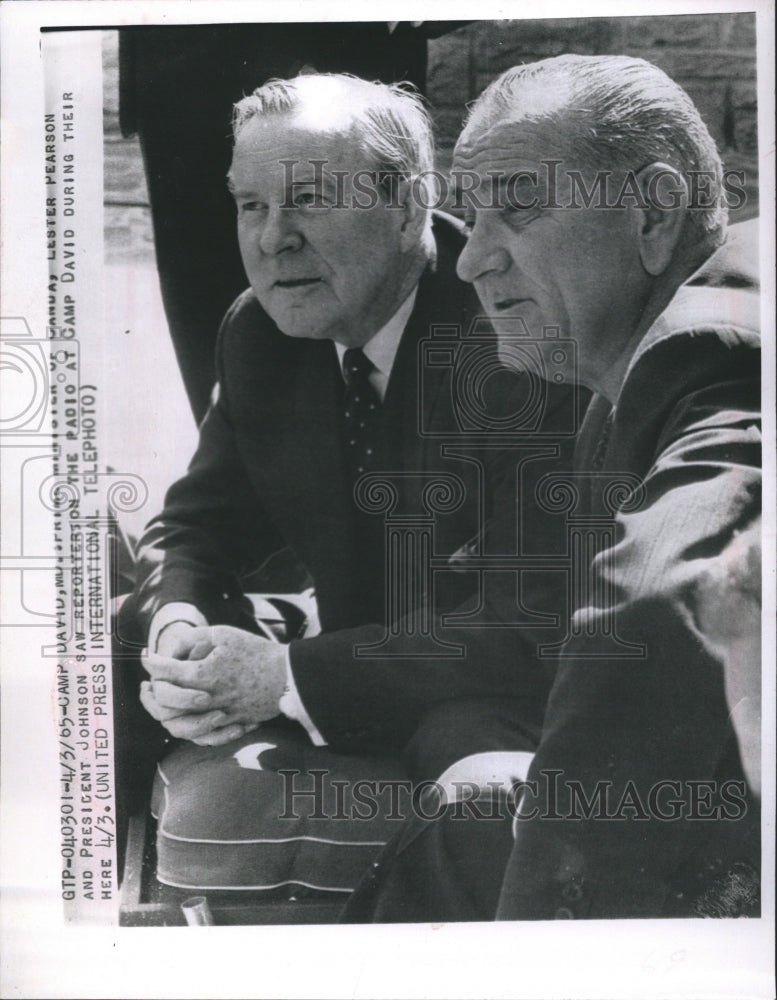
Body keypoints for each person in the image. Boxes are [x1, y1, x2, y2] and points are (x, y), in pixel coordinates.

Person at [128, 73, 579, 920]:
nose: (272, 240)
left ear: (409, 205)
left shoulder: (514, 332)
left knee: (482, 797)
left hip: (480, 690)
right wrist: (179, 627)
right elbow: (194, 525)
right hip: (332, 643)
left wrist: (286, 676)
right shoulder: (259, 330)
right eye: (248, 204)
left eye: (308, 200)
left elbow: (535, 621)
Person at [451, 53, 761, 919]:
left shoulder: (712, 346)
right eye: (470, 216)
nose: (470, 259)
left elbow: (664, 595)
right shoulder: (630, 371)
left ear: (653, 212)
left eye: (516, 206)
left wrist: (552, 938)